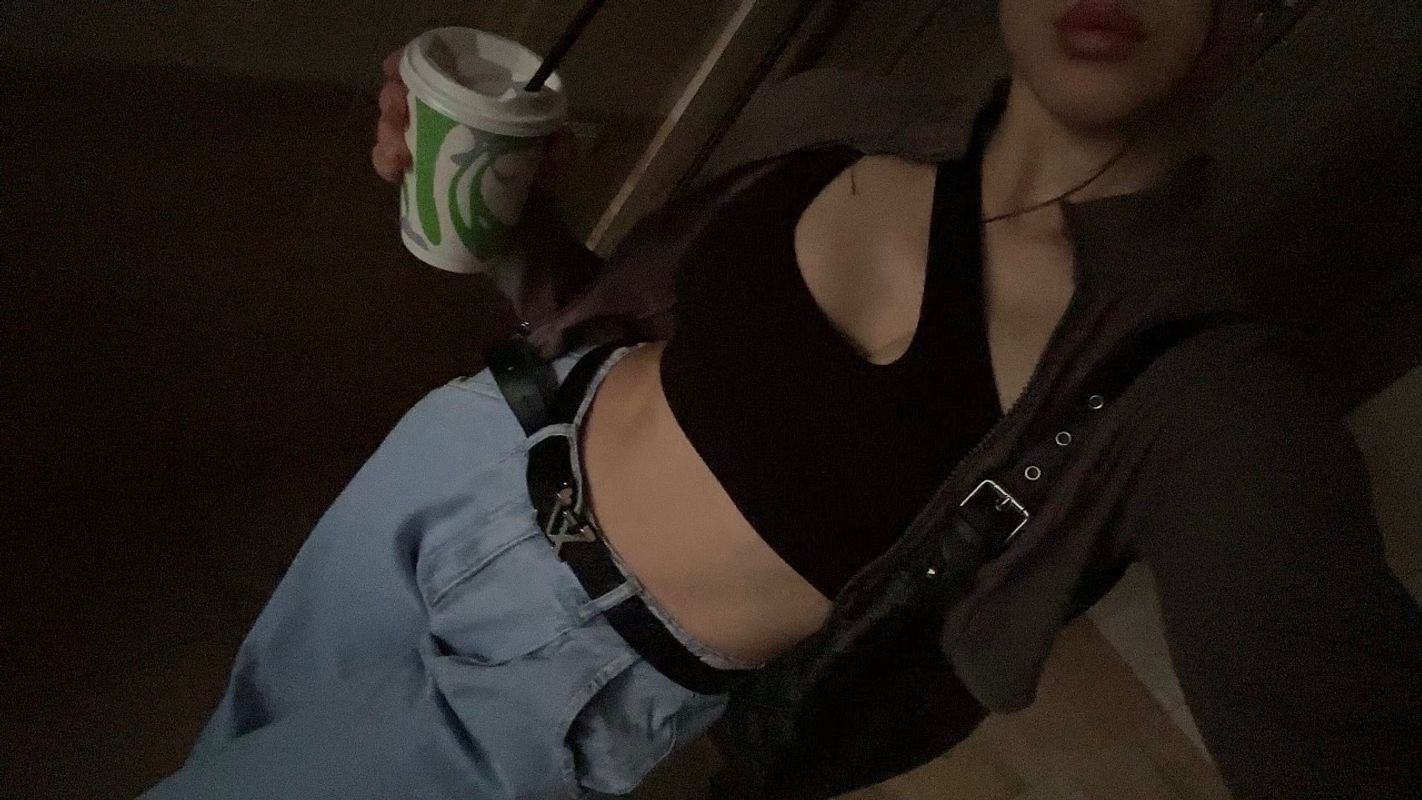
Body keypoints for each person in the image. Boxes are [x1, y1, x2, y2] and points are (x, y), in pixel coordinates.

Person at [146, 1, 1422, 798]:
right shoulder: (835, 114)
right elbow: (612, 319)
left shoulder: (1199, 390)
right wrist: (507, 220)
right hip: (470, 456)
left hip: (550, 685)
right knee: (235, 745)